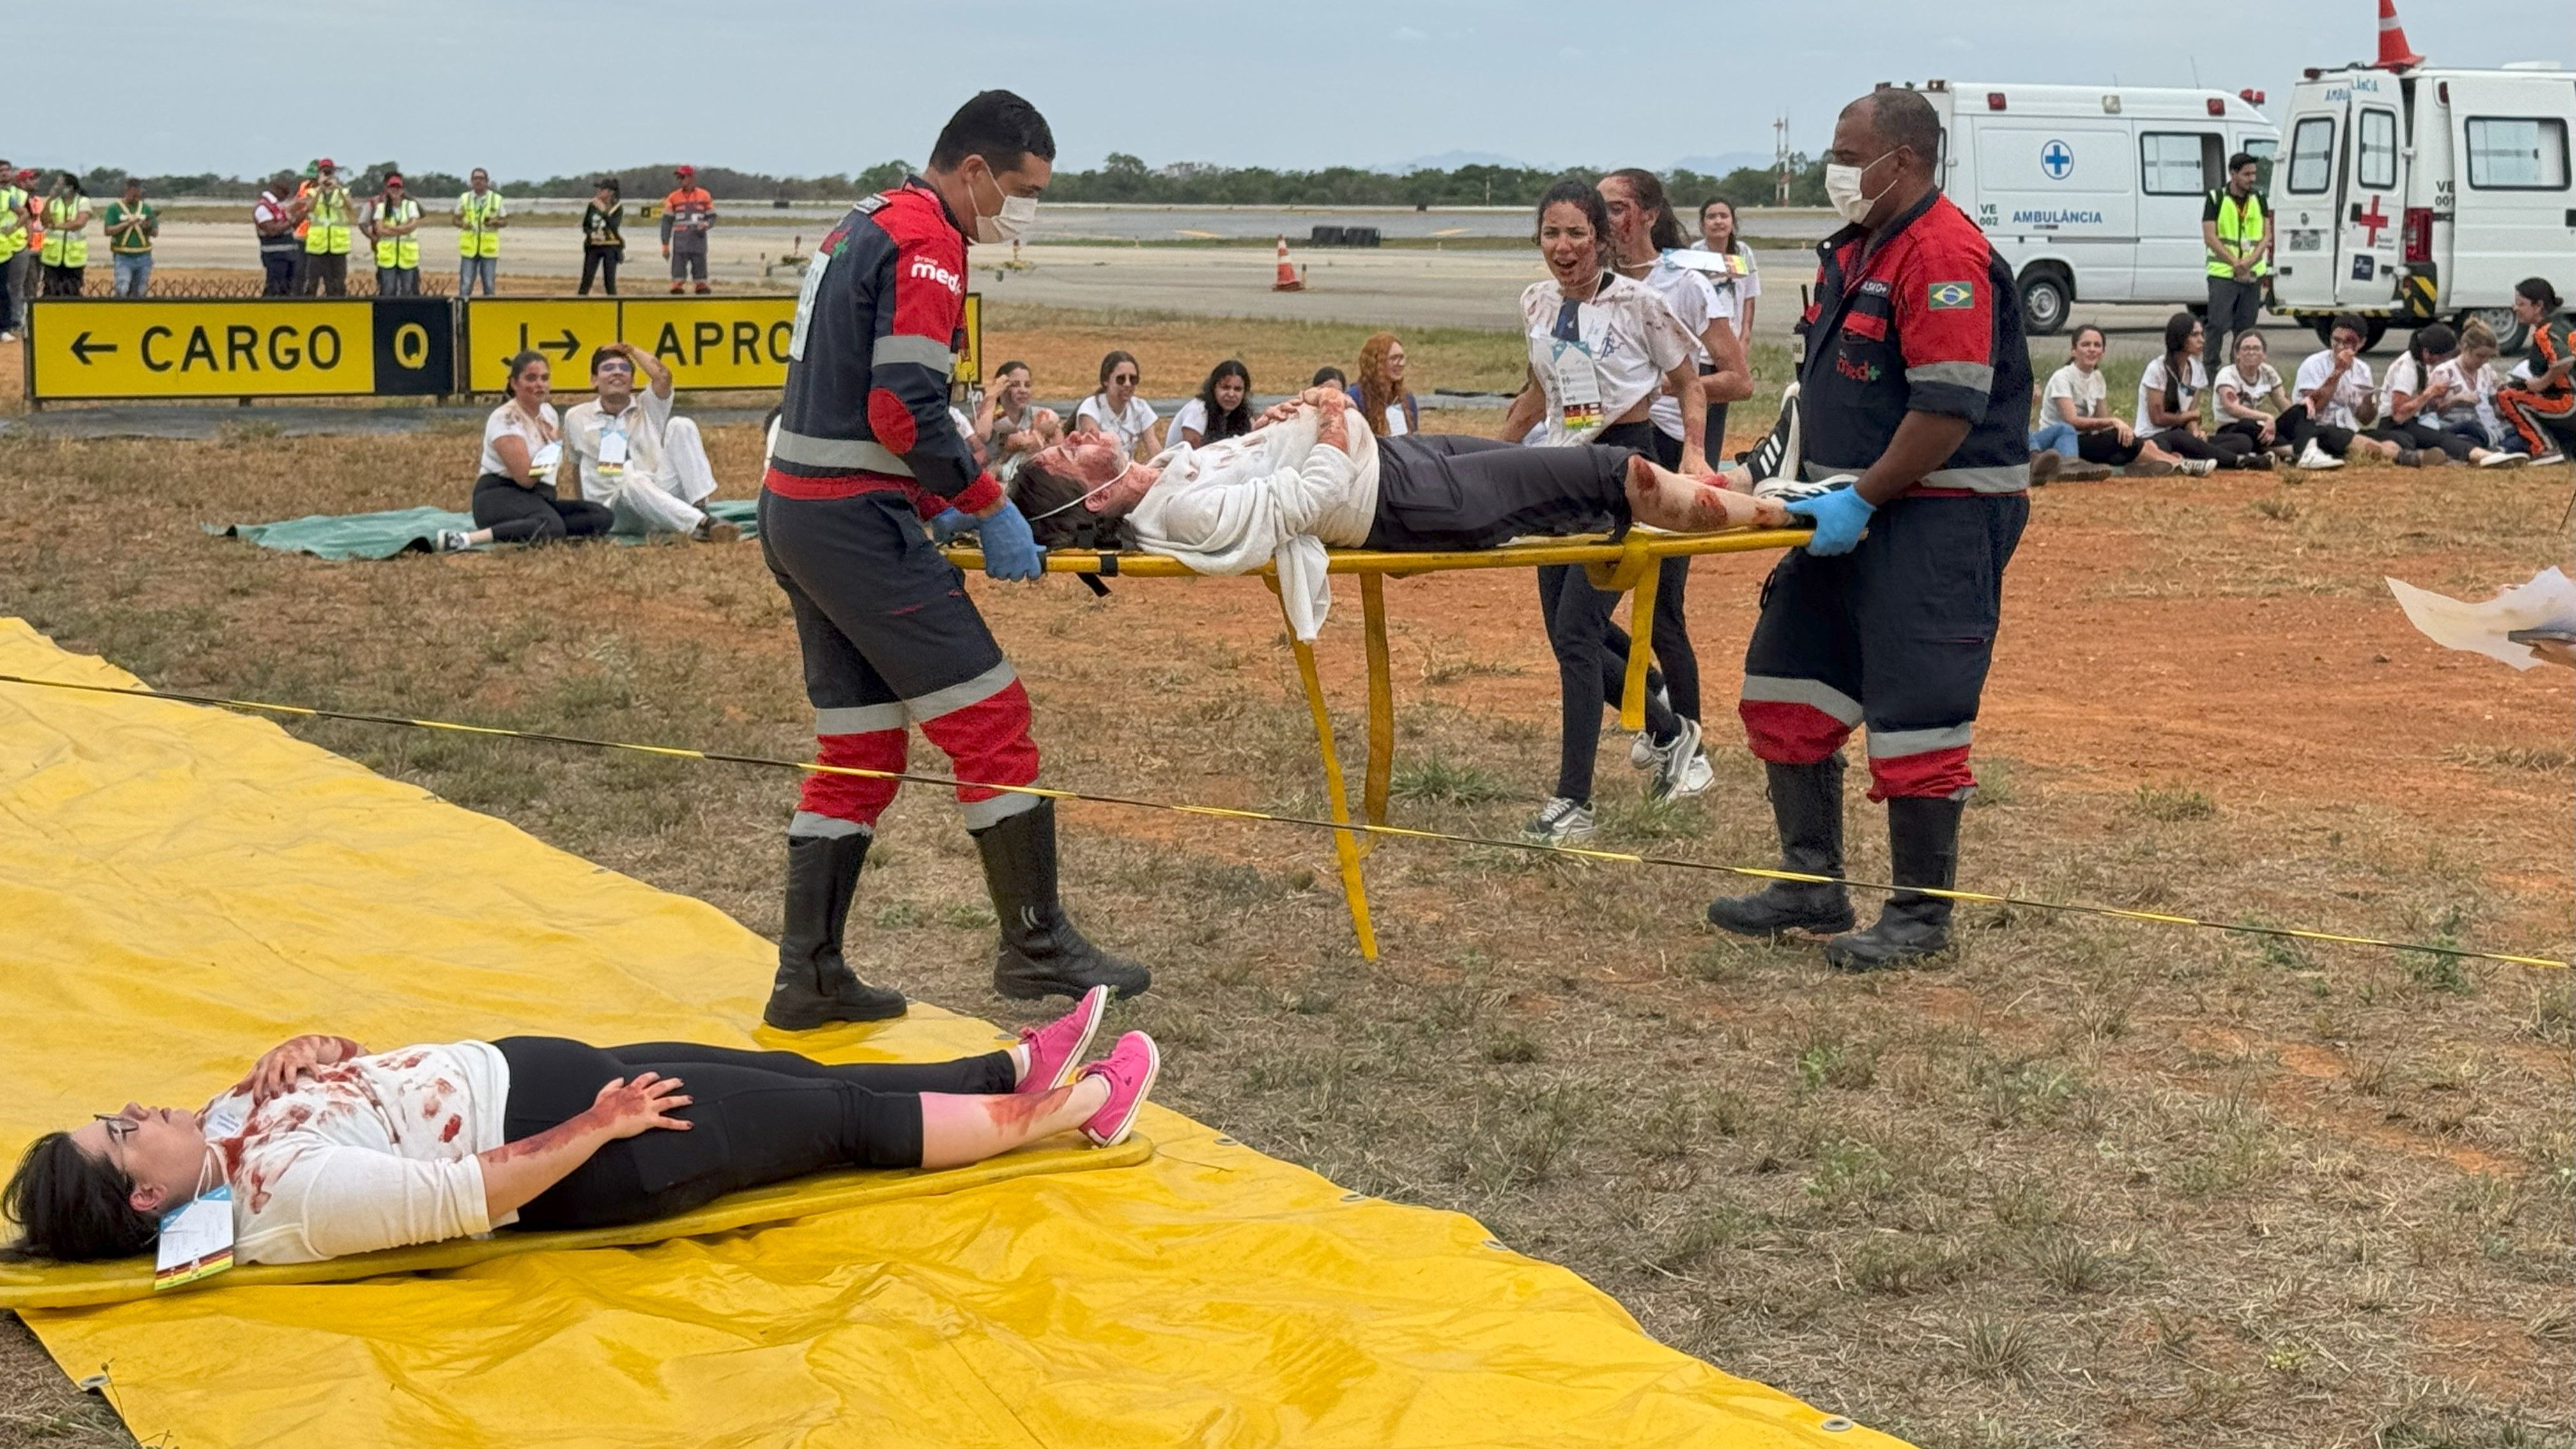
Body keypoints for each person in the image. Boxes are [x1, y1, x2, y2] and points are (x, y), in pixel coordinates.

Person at [762, 90, 1152, 1025]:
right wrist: (984, 505)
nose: (1023, 212)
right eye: (1022, 189)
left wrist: (935, 500)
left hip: (802, 508)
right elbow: (903, 407)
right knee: (993, 722)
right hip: (853, 523)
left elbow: (857, 400)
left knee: (860, 745)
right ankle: (1034, 944)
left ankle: (807, 974)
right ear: (973, 170)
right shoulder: (931, 242)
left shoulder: (864, 223)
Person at [0, 992, 1160, 1266]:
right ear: (142, 1199)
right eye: (120, 1134)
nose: (136, 1111)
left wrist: (318, 1046)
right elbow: (458, 1200)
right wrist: (598, 1126)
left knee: (791, 1072)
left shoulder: (223, 1125)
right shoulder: (287, 1198)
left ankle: (1012, 1058)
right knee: (840, 1120)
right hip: (600, 1148)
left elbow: (356, 1084)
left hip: (565, 1089)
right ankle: (1071, 1114)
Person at [1703, 86, 2033, 972]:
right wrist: (1748, 472)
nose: (1836, 170)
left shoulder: (1945, 255)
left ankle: (1921, 918)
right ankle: (1811, 881)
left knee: (1918, 715)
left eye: (1850, 156)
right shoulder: (1857, 252)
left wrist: (1864, 501)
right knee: (1786, 686)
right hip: (1843, 515)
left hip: (1936, 520)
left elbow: (1945, 412)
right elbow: (1817, 398)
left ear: (1907, 162)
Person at [1010, 394, 1783, 611]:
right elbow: (1308, 497)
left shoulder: (1165, 473)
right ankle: (1779, 514)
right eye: (1069, 453)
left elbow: (1278, 463)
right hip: (1405, 496)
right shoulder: (1176, 516)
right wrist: (1333, 416)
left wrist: (1290, 417)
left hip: (1401, 462)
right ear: (1096, 493)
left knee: (1576, 470)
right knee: (1610, 473)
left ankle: (1751, 479)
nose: (1080, 433)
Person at [1497, 179, 1712, 841]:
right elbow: (1538, 396)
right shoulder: (1534, 302)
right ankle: (1672, 734)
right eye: (1551, 234)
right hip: (1556, 469)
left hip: (1620, 467)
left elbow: (1688, 382)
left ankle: (1575, 802)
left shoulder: (1638, 304)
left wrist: (1696, 455)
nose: (1563, 249)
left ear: (1604, 237)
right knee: (1570, 636)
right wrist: (1478, 465)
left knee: (1575, 636)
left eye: (1577, 235)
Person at [1604, 167, 1755, 797]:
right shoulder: (1595, 286)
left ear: (1646, 213)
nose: (1602, 217)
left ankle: (1690, 749)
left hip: (1668, 446)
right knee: (1583, 604)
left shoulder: (1686, 284)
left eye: (1613, 207)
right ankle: (1653, 696)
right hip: (1609, 451)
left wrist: (1654, 387)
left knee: (1664, 609)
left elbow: (1737, 379)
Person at [436, 351, 615, 553]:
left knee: (602, 517)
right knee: (551, 526)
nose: (540, 384)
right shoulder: (505, 418)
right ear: (514, 383)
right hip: (499, 495)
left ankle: (539, 527)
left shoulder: (549, 413)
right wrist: (553, 448)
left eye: (544, 378)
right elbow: (526, 479)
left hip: (538, 497)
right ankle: (465, 539)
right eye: (531, 378)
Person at [556, 342, 735, 540]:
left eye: (624, 369)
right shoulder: (576, 417)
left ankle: (700, 509)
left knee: (681, 425)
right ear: (594, 380)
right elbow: (576, 466)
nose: (617, 373)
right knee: (632, 480)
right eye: (608, 368)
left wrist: (632, 351)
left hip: (659, 497)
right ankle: (702, 525)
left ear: (632, 381)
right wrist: (586, 512)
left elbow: (662, 376)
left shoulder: (648, 407)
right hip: (615, 510)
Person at [2368, 322, 2518, 467]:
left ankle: (2429, 455)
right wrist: (2430, 394)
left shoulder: (2421, 364)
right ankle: (2482, 455)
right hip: (2395, 423)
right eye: (2444, 357)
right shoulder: (2407, 368)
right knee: (2440, 437)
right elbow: (2399, 415)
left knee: (2422, 437)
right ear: (2427, 353)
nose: (2446, 361)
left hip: (2412, 421)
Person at [2134, 312, 2264, 472]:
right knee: (2179, 437)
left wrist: (2195, 431)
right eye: (2195, 335)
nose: (2202, 340)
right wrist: (2189, 417)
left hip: (2183, 436)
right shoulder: (2157, 369)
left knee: (2242, 441)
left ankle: (2190, 458)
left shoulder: (2196, 368)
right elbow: (2157, 419)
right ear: (2180, 338)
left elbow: (2191, 413)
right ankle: (2239, 461)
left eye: (2202, 334)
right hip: (2155, 438)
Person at [2028, 324, 2150, 481]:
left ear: (2103, 352)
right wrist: (2115, 421)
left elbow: (2102, 420)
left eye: (2097, 345)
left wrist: (2124, 430)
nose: (2092, 349)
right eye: (2086, 345)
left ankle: (2162, 463)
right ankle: (2072, 467)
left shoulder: (2097, 377)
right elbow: (2073, 421)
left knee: (2125, 439)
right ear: (2073, 351)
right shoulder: (2062, 377)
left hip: (2083, 437)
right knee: (2106, 439)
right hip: (2062, 440)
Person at [2281, 316, 2400, 469]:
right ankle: (2386, 454)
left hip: (2347, 428)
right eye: (2336, 340)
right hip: (2318, 429)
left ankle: (2379, 451)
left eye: (2348, 342)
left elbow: (2365, 419)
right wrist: (2337, 372)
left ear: (2362, 343)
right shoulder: (2313, 364)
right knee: (2347, 438)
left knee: (2400, 439)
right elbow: (2314, 408)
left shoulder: (2362, 369)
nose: (2340, 346)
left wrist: (2369, 399)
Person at [1690, 197, 1759, 450]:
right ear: (1702, 223)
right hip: (1700, 347)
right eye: (1711, 216)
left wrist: (1744, 339)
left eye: (1723, 216)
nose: (1718, 221)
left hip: (1728, 347)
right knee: (1696, 407)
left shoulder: (1743, 253)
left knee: (1719, 414)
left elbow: (1749, 298)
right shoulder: (1694, 254)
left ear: (1732, 221)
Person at [2202, 151, 2271, 371]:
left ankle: (2238, 372)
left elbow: (2266, 235)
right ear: (2233, 174)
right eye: (2247, 174)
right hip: (2223, 273)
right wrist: (2235, 262)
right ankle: (2211, 372)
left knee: (2245, 328)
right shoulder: (2216, 198)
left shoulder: (2259, 199)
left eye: (2254, 174)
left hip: (2252, 273)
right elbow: (2210, 236)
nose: (2252, 179)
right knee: (2217, 325)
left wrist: (2250, 261)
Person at [2495, 277, 2575, 465]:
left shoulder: (2544, 332)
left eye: (2520, 304)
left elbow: (2565, 361)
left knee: (2507, 395)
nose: (2515, 309)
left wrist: (2542, 383)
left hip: (2568, 402)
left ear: (2538, 306)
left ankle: (2545, 449)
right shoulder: (2563, 325)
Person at [2428, 319, 2526, 466]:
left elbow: (2496, 408)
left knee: (2523, 430)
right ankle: (2498, 452)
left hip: (2488, 428)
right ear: (2465, 348)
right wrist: (2456, 400)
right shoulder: (2444, 373)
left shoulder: (2487, 372)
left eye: (2488, 357)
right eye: (2480, 356)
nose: (2483, 361)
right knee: (2469, 427)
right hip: (2459, 426)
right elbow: (2430, 414)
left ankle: (2495, 452)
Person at [974, 360, 1062, 485]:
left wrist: (1039, 442)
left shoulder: (1037, 414)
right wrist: (992, 395)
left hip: (1027, 483)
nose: (1023, 390)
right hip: (992, 483)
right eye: (1015, 385)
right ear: (1001, 387)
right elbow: (982, 434)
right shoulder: (989, 411)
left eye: (1027, 385)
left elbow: (1059, 439)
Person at [2212, 330, 2290, 462]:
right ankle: (2290, 451)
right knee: (2246, 430)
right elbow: (2232, 409)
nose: (2251, 352)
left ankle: (2286, 448)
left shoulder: (2268, 372)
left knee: (2296, 416)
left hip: (2256, 427)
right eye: (2246, 349)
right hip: (2231, 428)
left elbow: (2284, 405)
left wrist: (2296, 418)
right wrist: (2267, 417)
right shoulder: (2227, 375)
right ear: (2237, 354)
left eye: (2256, 349)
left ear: (2264, 354)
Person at [1073, 351, 1162, 457]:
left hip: (1128, 470)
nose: (1128, 384)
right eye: (1121, 379)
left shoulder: (1140, 408)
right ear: (1106, 380)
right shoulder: (1091, 408)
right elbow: (1094, 455)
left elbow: (1155, 451)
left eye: (1133, 379)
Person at [1169, 360, 1254, 447]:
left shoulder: (1243, 414)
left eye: (1238, 389)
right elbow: (1191, 453)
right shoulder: (1198, 410)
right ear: (1213, 388)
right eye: (1225, 388)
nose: (1231, 394)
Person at [364, 173, 423, 296]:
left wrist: (391, 229)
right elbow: (380, 230)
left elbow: (412, 226)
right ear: (387, 190)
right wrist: (402, 228)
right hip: (388, 258)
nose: (395, 190)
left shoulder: (410, 206)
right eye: (392, 188)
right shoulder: (381, 207)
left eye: (398, 188)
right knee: (388, 290)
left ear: (402, 190)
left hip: (407, 257)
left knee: (408, 290)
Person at [1349, 333, 1419, 437]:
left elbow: (1415, 442)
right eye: (1394, 358)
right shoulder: (1356, 398)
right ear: (1376, 362)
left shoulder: (1408, 399)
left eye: (1402, 357)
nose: (1400, 364)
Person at [662, 165, 716, 295]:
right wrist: (665, 244)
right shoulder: (673, 197)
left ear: (691, 178)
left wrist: (706, 225)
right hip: (681, 241)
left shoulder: (704, 195)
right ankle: (677, 287)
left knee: (700, 267)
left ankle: (701, 286)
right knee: (678, 269)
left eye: (683, 177)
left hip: (698, 240)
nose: (680, 180)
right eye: (678, 178)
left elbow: (712, 217)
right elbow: (666, 222)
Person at [100, 178, 157, 298]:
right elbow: (108, 230)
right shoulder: (114, 208)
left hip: (143, 256)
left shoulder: (146, 208)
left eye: (139, 192)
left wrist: (147, 227)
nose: (137, 195)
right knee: (123, 288)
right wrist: (128, 223)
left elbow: (155, 233)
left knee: (141, 290)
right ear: (128, 190)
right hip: (123, 256)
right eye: (134, 191)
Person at [36, 172, 90, 297]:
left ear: (69, 187)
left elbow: (79, 222)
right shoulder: (54, 202)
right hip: (53, 257)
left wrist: (57, 226)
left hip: (73, 257)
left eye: (59, 184)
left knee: (72, 290)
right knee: (50, 289)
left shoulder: (82, 201)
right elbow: (44, 221)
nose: (56, 187)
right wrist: (50, 199)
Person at [456, 169, 505, 298]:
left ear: (487, 181)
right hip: (469, 249)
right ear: (471, 181)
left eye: (481, 178)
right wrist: (463, 224)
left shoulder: (496, 199)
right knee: (466, 285)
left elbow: (505, 221)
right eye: (475, 178)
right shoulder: (464, 198)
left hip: (488, 249)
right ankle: (463, 315)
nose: (478, 181)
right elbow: (455, 219)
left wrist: (495, 222)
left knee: (489, 285)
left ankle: (490, 314)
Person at [252, 173, 301, 297]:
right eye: (285, 193)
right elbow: (273, 230)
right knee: (274, 290)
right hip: (275, 256)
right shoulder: (263, 208)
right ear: (276, 190)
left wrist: (300, 216)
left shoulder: (277, 207)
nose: (286, 197)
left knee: (287, 290)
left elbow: (289, 227)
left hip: (289, 256)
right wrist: (290, 221)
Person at [579, 179, 624, 296]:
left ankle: (614, 306)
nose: (598, 191)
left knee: (609, 282)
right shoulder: (592, 205)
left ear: (609, 192)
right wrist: (591, 234)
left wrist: (604, 212)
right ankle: (579, 304)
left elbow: (614, 226)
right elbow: (586, 225)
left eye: (601, 189)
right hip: (594, 246)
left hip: (611, 246)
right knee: (586, 280)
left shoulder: (617, 207)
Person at [0, 162, 27, 338]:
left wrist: (15, 227)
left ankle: (5, 327)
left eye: (6, 171)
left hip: (4, 251)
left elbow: (24, 213)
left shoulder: (7, 197)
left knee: (4, 290)